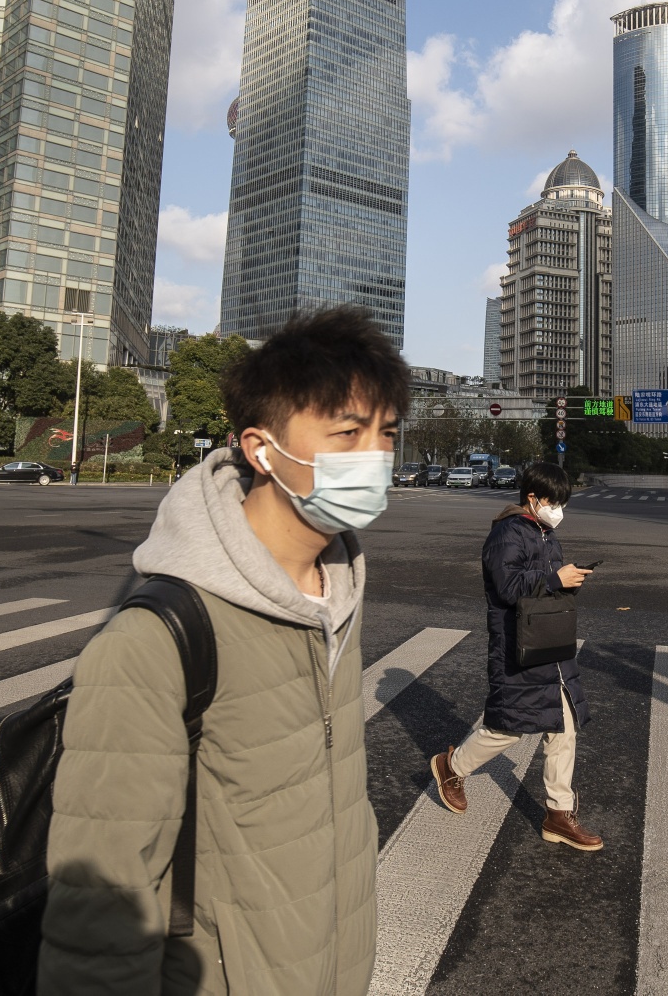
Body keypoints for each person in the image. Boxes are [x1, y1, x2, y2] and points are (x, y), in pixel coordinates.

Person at [38, 306, 409, 995]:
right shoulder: (156, 639)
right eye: (348, 433)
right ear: (262, 449)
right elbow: (102, 899)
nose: (376, 458)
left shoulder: (336, 594)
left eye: (387, 434)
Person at [429, 460, 601, 852]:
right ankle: (450, 767)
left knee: (564, 724)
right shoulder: (508, 533)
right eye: (553, 501)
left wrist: (569, 582)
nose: (559, 510)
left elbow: (542, 585)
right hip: (517, 645)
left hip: (549, 643)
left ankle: (559, 813)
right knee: (509, 726)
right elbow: (506, 586)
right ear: (533, 498)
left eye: (563, 502)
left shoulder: (545, 534)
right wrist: (555, 579)